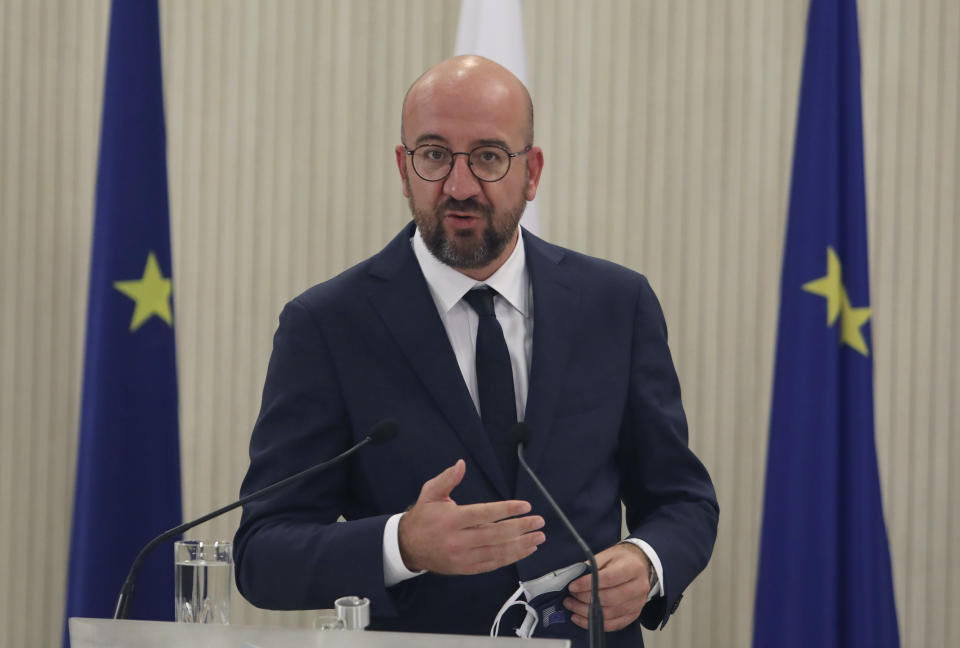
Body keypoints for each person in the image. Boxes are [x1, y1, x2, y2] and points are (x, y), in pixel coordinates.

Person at [234, 55, 718, 648]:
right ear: (403, 167)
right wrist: (402, 544)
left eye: (488, 156)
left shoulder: (616, 304)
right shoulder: (329, 324)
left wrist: (648, 563)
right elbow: (263, 553)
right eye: (434, 155)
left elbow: (682, 500)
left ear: (532, 172)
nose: (459, 187)